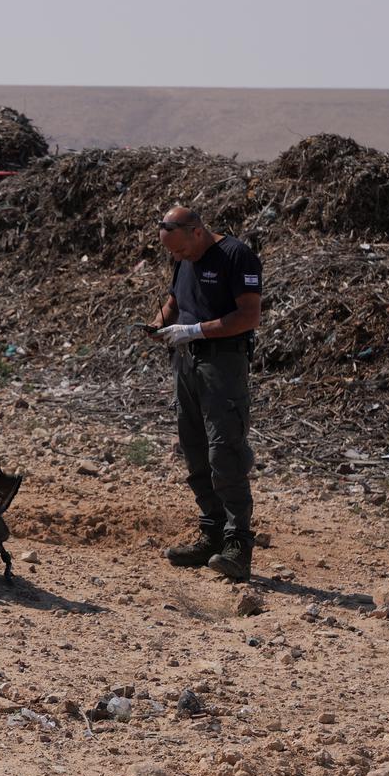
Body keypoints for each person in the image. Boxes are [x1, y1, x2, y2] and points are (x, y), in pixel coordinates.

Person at [142, 206, 262, 582]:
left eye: (180, 250)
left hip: (222, 364)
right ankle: (210, 534)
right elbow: (176, 300)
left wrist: (194, 331)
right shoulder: (183, 257)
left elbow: (248, 316)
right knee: (194, 449)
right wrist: (161, 322)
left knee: (224, 451)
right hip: (186, 364)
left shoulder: (235, 255)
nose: (176, 258)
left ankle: (237, 545)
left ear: (197, 231)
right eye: (171, 253)